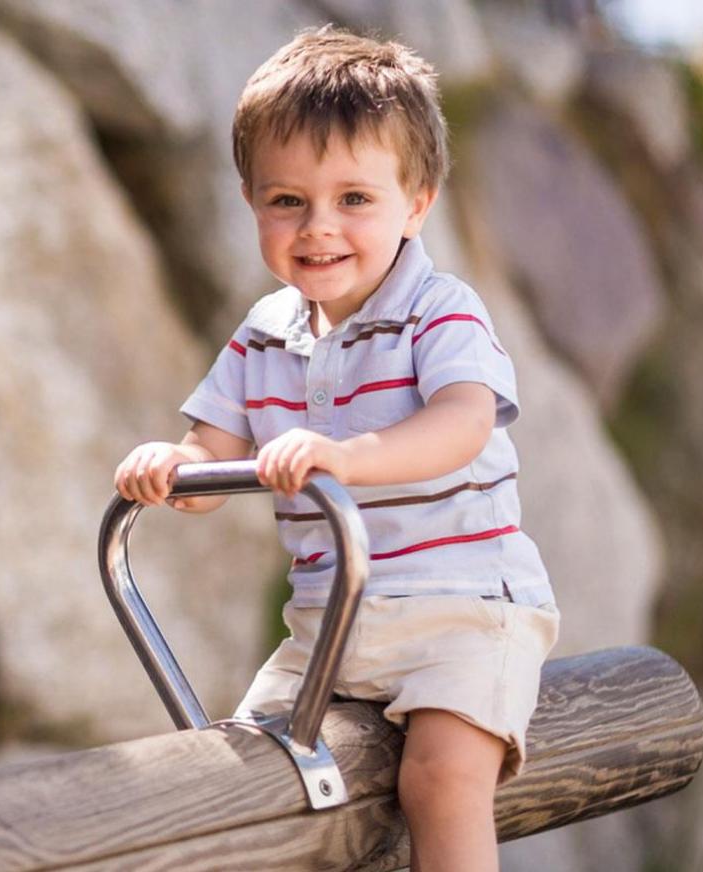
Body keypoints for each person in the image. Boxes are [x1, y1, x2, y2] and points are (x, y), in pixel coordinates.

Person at [112, 26, 559, 872]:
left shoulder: (440, 310)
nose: (318, 227)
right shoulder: (262, 335)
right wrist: (170, 467)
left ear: (415, 202)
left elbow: (464, 421)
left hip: (462, 611)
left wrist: (348, 457)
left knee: (440, 775)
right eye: (287, 201)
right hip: (327, 629)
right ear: (251, 201)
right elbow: (210, 458)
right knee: (240, 781)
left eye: (354, 199)